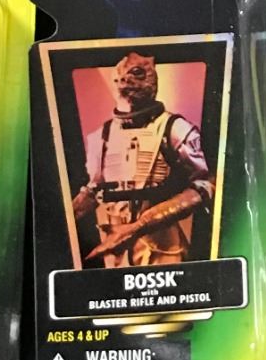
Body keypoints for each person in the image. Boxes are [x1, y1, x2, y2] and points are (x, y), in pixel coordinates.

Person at [73, 52, 214, 268]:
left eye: (136, 73)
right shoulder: (101, 136)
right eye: (119, 75)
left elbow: (204, 187)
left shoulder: (176, 129)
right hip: (114, 249)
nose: (125, 79)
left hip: (163, 249)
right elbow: (94, 189)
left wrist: (139, 226)